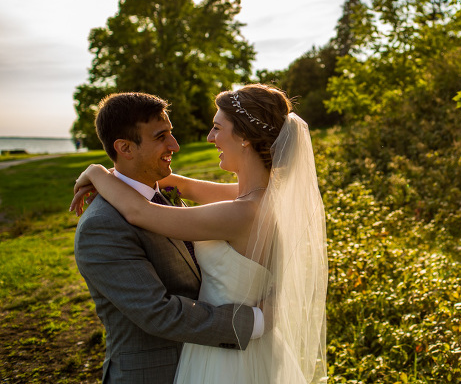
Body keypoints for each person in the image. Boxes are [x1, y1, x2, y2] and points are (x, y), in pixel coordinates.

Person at [72, 84, 328, 384]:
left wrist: (97, 172)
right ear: (124, 147)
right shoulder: (261, 197)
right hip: (220, 354)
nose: (206, 138)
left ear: (244, 138)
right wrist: (119, 175)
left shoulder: (242, 211)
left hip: (229, 358)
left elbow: (141, 212)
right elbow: (186, 186)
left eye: (217, 128)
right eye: (161, 136)